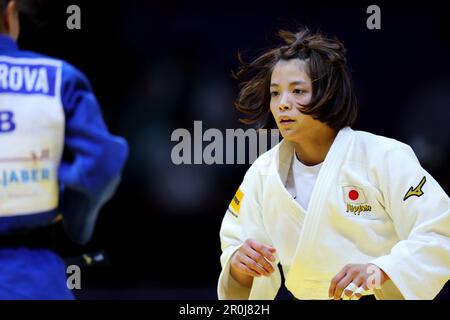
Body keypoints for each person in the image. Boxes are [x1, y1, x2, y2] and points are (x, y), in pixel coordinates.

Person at [218, 27, 450, 300]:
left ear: (327, 93)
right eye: (275, 93)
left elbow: (440, 231)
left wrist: (382, 270)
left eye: (297, 91)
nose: (283, 104)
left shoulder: (384, 157)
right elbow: (236, 247)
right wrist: (240, 265)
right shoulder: (263, 173)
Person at [0, 0, 128, 299]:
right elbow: (103, 165)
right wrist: (76, 221)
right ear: (10, 13)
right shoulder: (58, 78)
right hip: (30, 279)